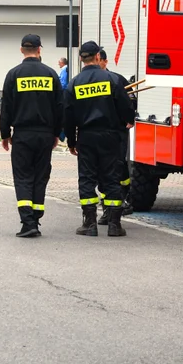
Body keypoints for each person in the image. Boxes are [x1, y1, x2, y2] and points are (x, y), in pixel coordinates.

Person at [63, 40, 135, 238]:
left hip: (86, 136)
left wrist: (71, 141)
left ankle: (89, 224)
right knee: (111, 178)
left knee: (87, 178)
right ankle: (114, 224)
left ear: (80, 59)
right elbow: (126, 107)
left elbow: (67, 116)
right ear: (97, 56)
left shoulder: (74, 83)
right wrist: (128, 121)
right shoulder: (112, 79)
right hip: (111, 136)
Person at [0, 34, 63, 238]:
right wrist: (56, 134)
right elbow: (60, 108)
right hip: (44, 135)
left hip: (22, 135)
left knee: (23, 176)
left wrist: (4, 134)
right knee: (40, 176)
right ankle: (35, 217)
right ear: (39, 50)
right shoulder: (51, 74)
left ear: (21, 50)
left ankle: (28, 222)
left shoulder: (13, 75)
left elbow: (6, 107)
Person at [98, 47, 135, 222]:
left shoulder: (118, 80)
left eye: (100, 61)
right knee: (102, 171)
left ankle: (123, 199)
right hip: (99, 133)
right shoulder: (88, 81)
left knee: (118, 168)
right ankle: (108, 207)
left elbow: (130, 103)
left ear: (105, 61)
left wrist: (129, 119)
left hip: (117, 132)